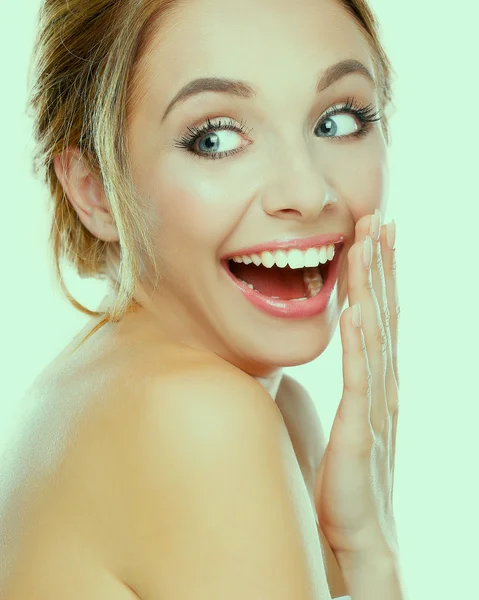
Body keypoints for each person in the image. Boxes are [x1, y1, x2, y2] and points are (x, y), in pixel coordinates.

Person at [1, 0, 406, 598]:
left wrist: (366, 537)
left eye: (339, 120)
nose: (306, 190)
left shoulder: (259, 402)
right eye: (214, 138)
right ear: (94, 190)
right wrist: (375, 553)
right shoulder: (196, 417)